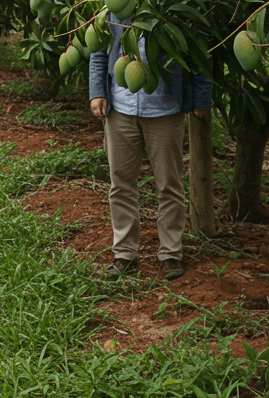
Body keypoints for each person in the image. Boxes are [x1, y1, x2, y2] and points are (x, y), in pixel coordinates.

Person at [87, 15, 210, 282]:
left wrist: (201, 96)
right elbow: (98, 50)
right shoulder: (114, 8)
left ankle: (170, 253)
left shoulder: (169, 2)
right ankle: (124, 253)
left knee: (169, 184)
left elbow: (197, 53)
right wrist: (97, 90)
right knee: (120, 184)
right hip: (120, 110)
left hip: (165, 110)